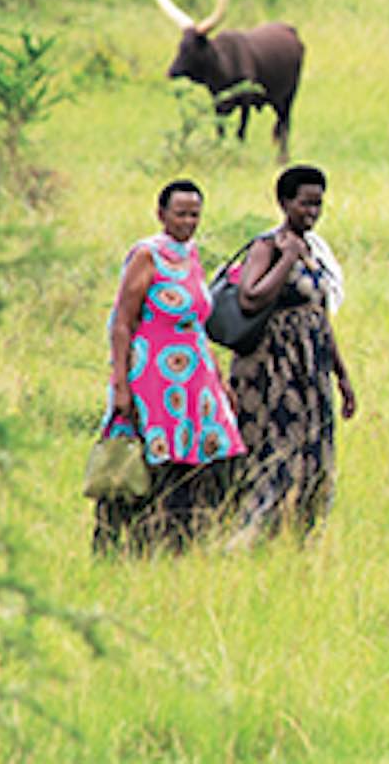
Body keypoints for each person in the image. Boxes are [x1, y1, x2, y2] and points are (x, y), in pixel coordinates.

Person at [94, 180, 246, 553]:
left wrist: (219, 381)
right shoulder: (148, 255)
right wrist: (120, 384)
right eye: (180, 213)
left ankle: (179, 542)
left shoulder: (191, 254)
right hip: (153, 376)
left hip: (193, 375)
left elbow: (195, 323)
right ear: (161, 214)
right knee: (151, 459)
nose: (188, 221)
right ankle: (131, 544)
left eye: (195, 214)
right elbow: (123, 322)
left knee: (201, 458)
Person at [228, 164, 356, 538]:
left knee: (314, 455)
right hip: (271, 370)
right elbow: (250, 298)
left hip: (310, 370)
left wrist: (342, 376)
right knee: (273, 453)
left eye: (318, 205)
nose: (312, 213)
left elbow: (318, 317)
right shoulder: (267, 246)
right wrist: (286, 259)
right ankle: (251, 536)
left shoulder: (315, 252)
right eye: (304, 204)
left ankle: (301, 537)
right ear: (284, 203)